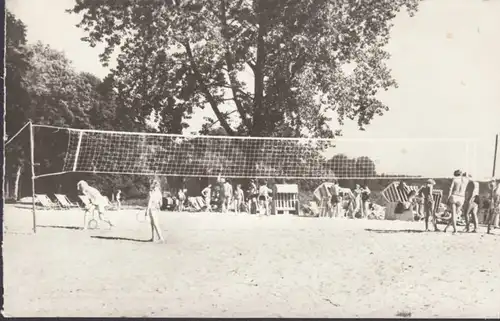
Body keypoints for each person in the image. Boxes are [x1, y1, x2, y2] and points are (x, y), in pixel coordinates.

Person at [444, 169, 469, 234]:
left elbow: (450, 189)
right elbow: (467, 175)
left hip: (454, 196)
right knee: (455, 215)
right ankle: (447, 228)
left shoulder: (454, 179)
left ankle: (455, 230)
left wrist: (448, 198)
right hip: (461, 197)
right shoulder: (466, 180)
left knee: (453, 215)